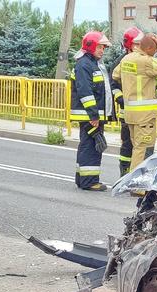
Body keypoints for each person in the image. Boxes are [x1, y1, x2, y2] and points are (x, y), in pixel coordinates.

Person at [112, 33, 157, 170]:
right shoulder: (145, 61)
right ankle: (138, 185)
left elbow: (115, 75)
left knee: (137, 148)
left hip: (131, 114)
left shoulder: (127, 58)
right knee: (143, 151)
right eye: (154, 50)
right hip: (144, 117)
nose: (155, 54)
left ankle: (134, 182)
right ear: (148, 48)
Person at [70, 31, 113, 192]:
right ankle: (89, 181)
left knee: (87, 145)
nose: (102, 50)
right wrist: (93, 115)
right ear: (91, 46)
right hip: (89, 115)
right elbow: (85, 92)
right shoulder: (85, 65)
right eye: (100, 47)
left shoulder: (91, 64)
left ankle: (82, 179)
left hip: (90, 114)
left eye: (103, 47)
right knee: (92, 147)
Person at [110, 26, 143, 177]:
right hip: (127, 111)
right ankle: (124, 174)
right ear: (129, 45)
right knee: (127, 144)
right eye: (136, 44)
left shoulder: (144, 60)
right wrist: (121, 99)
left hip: (143, 113)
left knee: (141, 145)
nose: (139, 47)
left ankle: (137, 175)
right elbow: (113, 84)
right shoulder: (121, 62)